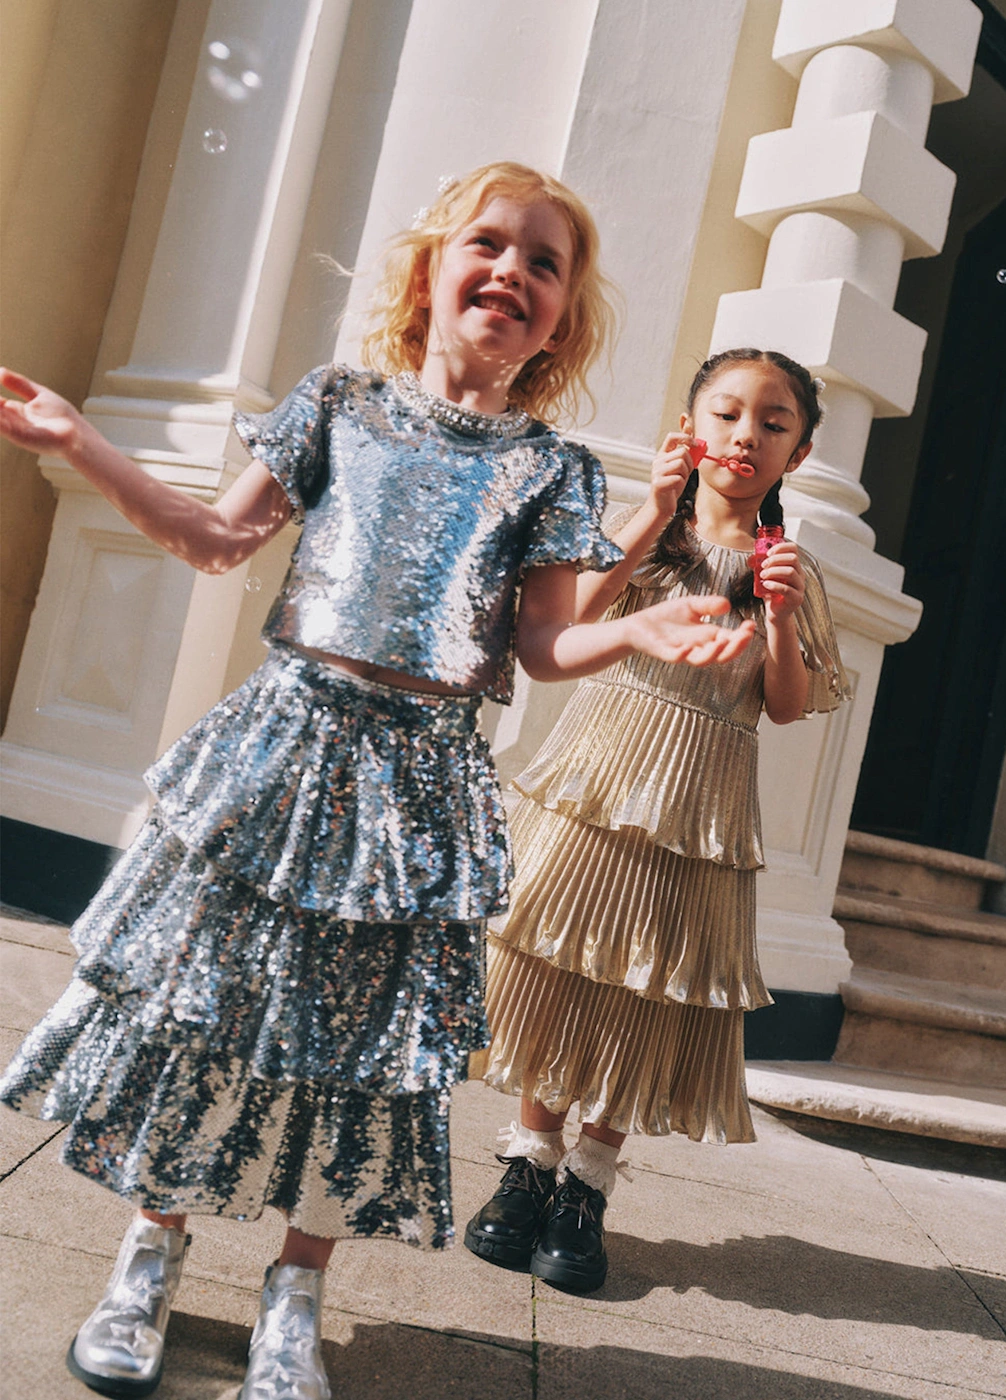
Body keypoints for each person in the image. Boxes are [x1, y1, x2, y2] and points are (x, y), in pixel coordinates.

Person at [0, 164, 756, 1400]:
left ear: (562, 318)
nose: (513, 271)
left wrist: (638, 632)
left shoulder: (551, 469)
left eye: (545, 263)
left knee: (367, 1044)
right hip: (285, 746)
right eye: (490, 244)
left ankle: (296, 1291)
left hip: (423, 778)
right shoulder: (338, 403)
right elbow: (217, 539)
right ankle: (151, 1249)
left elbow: (542, 644)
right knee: (212, 1005)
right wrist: (78, 438)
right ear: (431, 272)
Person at [464, 348, 851, 1294]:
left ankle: (589, 1180)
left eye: (773, 423)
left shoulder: (786, 568)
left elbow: (788, 704)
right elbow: (570, 628)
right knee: (563, 960)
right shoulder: (650, 542)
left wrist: (783, 616)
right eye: (726, 414)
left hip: (701, 802)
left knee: (649, 980)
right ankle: (529, 1162)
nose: (745, 437)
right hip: (602, 778)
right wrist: (647, 511)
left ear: (797, 455)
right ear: (691, 429)